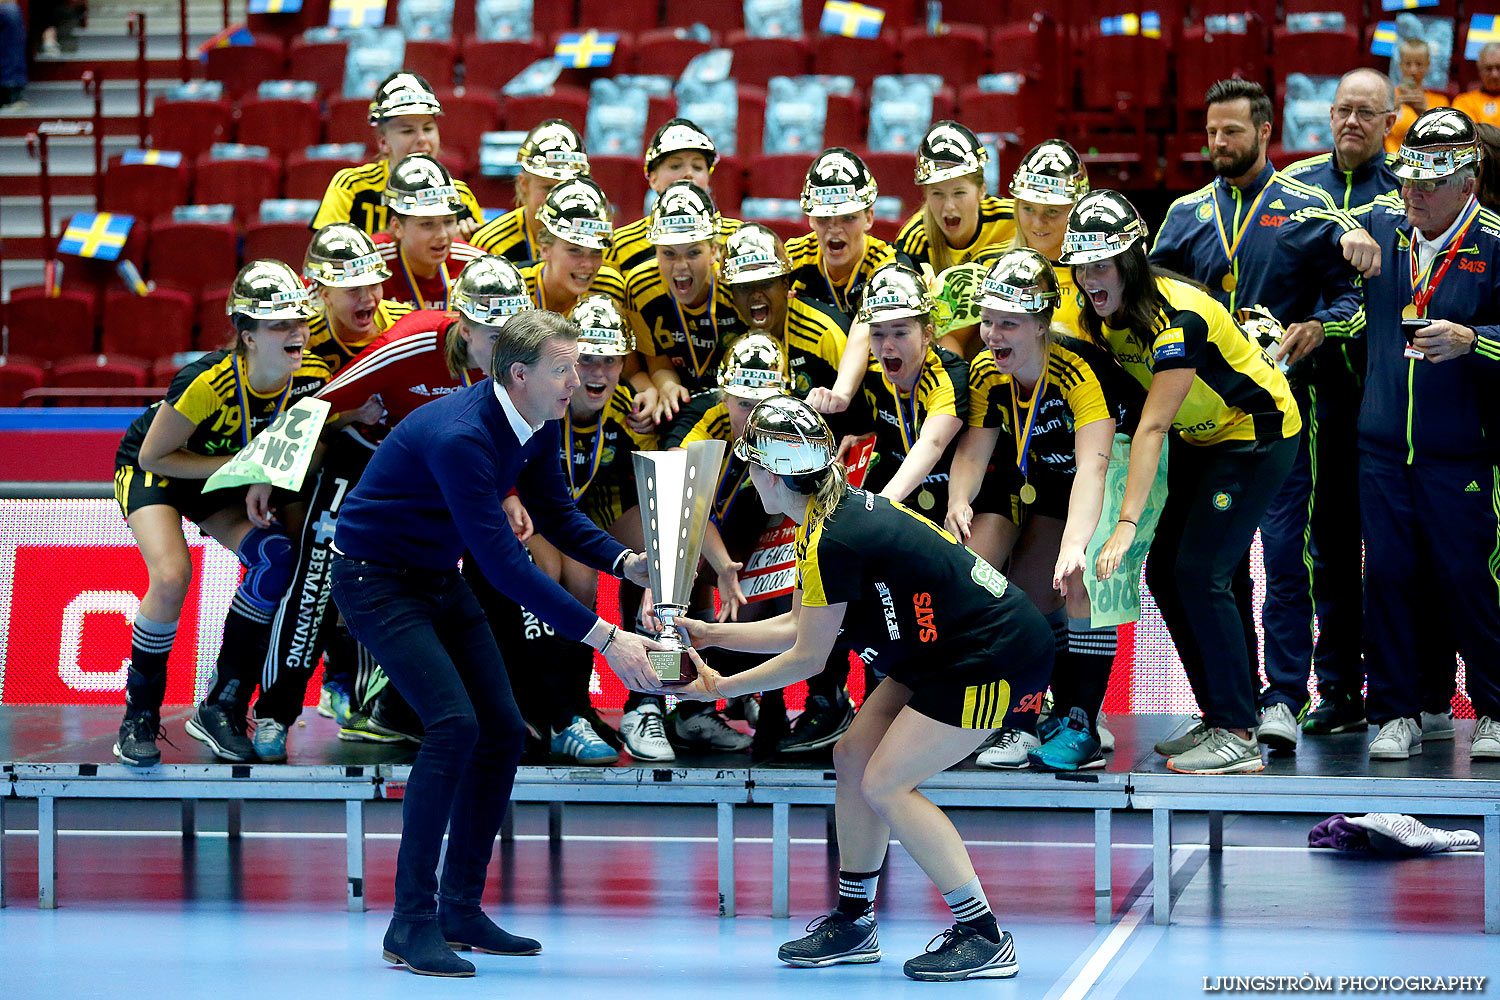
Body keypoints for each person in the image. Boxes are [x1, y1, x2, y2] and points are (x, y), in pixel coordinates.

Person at [329, 309, 665, 978]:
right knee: (453, 727)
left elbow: (559, 516)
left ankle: (459, 909)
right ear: (520, 375)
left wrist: (628, 564)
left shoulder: (539, 420)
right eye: (564, 368)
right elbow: (506, 567)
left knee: (504, 730)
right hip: (374, 582)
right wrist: (606, 638)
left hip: (433, 576)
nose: (579, 378)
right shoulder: (461, 437)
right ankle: (410, 922)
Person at [673, 394, 1049, 982]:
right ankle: (853, 922)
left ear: (771, 474)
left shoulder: (832, 538)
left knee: (887, 783)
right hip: (940, 650)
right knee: (852, 755)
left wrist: (718, 684)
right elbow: (802, 625)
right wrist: (708, 632)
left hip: (989, 657)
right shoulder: (827, 518)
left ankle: (984, 934)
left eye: (751, 466)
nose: (749, 478)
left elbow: (806, 657)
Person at [1150, 78, 1367, 755]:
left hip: (1281, 420)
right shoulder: (1184, 215)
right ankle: (1228, 705)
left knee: (1284, 557)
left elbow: (1354, 302)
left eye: (1233, 131)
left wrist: (1320, 329)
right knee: (1213, 569)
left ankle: (1282, 698)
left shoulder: (1311, 211)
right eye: (1211, 131)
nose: (1219, 142)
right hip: (1201, 427)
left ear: (1266, 131)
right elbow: (1151, 306)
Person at [1063, 190, 1302, 775]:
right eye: (1082, 264)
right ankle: (1221, 710)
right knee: (1166, 572)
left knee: (1200, 570)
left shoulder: (1178, 317)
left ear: (1133, 259)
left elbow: (1153, 427)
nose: (1092, 278)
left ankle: (1238, 733)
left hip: (1255, 435)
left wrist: (1123, 525)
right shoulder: (1089, 308)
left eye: (1104, 263)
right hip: (1203, 439)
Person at [1299, 108, 1500, 762]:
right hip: (1382, 445)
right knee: (1385, 577)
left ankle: (1495, 707)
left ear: (1467, 184)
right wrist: (1342, 235)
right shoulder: (1386, 223)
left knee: (1469, 579)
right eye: (1406, 180)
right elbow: (1297, 211)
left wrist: (1476, 340)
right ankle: (1397, 711)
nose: (1412, 193)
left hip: (1464, 448)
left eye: (1428, 185)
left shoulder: (1496, 242)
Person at [312, 256, 536, 744]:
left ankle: (405, 708)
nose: (505, 352)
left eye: (512, 334)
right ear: (463, 325)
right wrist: (273, 475)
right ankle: (341, 688)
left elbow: (497, 437)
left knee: (477, 588)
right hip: (377, 490)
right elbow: (315, 405)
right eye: (493, 337)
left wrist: (510, 493)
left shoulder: (518, 362)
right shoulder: (407, 343)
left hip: (447, 498)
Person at [111, 261, 327, 766]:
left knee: (277, 558)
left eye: (299, 320)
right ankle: (138, 715)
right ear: (248, 336)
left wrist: (263, 473)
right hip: (159, 471)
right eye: (279, 325)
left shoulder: (310, 377)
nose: (296, 332)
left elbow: (300, 450)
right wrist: (246, 465)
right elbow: (153, 457)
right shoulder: (207, 380)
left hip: (223, 474)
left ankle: (222, 705)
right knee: (171, 575)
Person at [946, 249, 1143, 770]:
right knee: (1008, 591)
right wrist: (958, 498)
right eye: (987, 321)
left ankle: (1083, 718)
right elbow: (974, 448)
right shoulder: (988, 370)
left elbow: (1095, 470)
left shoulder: (1079, 372)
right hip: (1045, 481)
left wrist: (1077, 544)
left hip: (1117, 471)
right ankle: (1040, 715)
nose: (992, 335)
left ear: (1040, 324)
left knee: (1079, 582)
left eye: (1008, 324)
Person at [248, 226, 401, 759]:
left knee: (406, 587)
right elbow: (292, 436)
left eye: (373, 284)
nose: (369, 298)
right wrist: (343, 419)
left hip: (400, 482)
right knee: (311, 584)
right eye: (352, 287)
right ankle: (273, 713)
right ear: (319, 291)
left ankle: (371, 703)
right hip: (332, 478)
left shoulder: (402, 326)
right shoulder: (303, 347)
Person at [1281, 68, 1403, 736]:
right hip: (1315, 399)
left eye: (1367, 112)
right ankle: (1334, 690)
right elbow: (1284, 241)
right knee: (1326, 548)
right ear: (1327, 115)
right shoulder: (1295, 183)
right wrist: (1339, 230)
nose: (1352, 122)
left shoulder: (1409, 191)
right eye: (1342, 110)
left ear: (1392, 121)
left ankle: (1407, 698)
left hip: (1393, 399)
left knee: (1394, 553)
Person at [488, 296, 658, 764]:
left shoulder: (629, 408)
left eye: (610, 360)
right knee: (546, 572)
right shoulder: (539, 397)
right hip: (524, 519)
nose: (597, 373)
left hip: (574, 519)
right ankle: (548, 710)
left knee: (654, 532)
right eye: (586, 359)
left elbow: (663, 470)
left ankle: (645, 705)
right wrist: (509, 496)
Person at [634, 335, 793, 758]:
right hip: (676, 522)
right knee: (668, 589)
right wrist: (721, 565)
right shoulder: (703, 417)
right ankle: (649, 705)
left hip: (733, 535)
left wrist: (736, 567)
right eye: (743, 404)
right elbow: (677, 495)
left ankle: (717, 702)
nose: (754, 417)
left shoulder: (789, 426)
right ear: (724, 396)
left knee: (767, 589)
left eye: (764, 403)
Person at [844, 262, 968, 519]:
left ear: (926, 334)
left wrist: (884, 502)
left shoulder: (949, 375)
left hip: (964, 499)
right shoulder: (872, 373)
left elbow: (932, 442)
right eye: (877, 335)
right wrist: (864, 442)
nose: (887, 346)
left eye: (900, 333)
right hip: (909, 496)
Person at [623, 180, 747, 425]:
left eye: (693, 253)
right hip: (683, 404)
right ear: (655, 252)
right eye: (668, 253)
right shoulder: (640, 287)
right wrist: (667, 384)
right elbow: (657, 361)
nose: (680, 266)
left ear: (714, 251)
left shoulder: (738, 283)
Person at [313, 72, 484, 238]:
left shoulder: (459, 195)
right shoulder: (350, 186)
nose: (422, 139)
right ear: (383, 143)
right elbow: (328, 254)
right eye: (408, 131)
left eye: (428, 128)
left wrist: (463, 243)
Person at [607, 118, 740, 274]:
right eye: (676, 166)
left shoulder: (736, 238)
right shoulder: (620, 246)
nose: (688, 174)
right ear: (653, 179)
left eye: (697, 167)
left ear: (708, 180)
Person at [787, 147, 896, 321]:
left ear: (869, 218)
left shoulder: (885, 266)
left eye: (848, 218)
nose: (835, 228)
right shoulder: (791, 260)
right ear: (810, 219)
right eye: (824, 217)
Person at [469, 119, 591, 264]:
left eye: (566, 188)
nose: (558, 200)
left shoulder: (595, 242)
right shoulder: (489, 246)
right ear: (524, 184)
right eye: (548, 188)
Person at [373, 154, 485, 310]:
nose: (442, 235)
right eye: (427, 224)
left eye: (448, 221)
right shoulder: (372, 264)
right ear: (397, 227)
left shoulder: (476, 265)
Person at [1007, 139, 1091, 338]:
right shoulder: (993, 266)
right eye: (1028, 208)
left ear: (1078, 210)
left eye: (1052, 211)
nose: (1037, 223)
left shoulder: (1097, 278)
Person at [518, 176, 628, 314]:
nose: (587, 265)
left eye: (596, 251)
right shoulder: (517, 290)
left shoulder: (610, 288)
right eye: (574, 250)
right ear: (545, 249)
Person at [1387, 38, 1451, 155]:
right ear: (1400, 65)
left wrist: (1424, 113)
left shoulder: (1440, 101)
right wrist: (1391, 109)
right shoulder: (1387, 97)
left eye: (1419, 64)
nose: (1413, 70)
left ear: (1427, 66)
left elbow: (1445, 143)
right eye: (1408, 64)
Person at [1453, 43, 1500, 128]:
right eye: (1488, 69)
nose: (1494, 75)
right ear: (1479, 71)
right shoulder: (1464, 101)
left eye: (1499, 67)